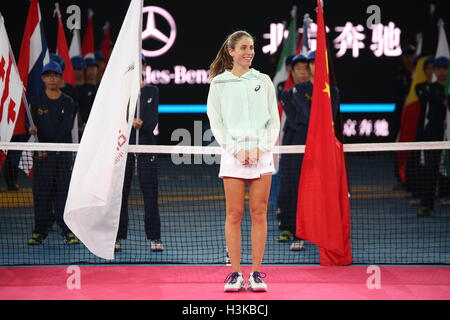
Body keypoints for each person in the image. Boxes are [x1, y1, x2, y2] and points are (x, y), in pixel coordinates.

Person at [207, 30, 280, 292]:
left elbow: (274, 119)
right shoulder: (218, 84)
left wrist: (261, 149)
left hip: (262, 155)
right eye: (244, 48)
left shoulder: (264, 80)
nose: (249, 52)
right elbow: (217, 123)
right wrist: (237, 151)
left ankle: (257, 274)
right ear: (231, 51)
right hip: (233, 156)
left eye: (252, 47)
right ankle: (235, 274)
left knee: (259, 213)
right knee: (234, 214)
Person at [282, 51, 340, 251]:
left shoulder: (333, 91)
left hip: (324, 147)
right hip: (302, 145)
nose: (314, 67)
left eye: (318, 63)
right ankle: (299, 234)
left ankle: (325, 234)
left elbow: (328, 118)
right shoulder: (298, 90)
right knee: (300, 189)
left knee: (325, 189)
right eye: (311, 64)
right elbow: (307, 117)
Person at [115, 55, 163, 252]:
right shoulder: (122, 92)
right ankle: (117, 237)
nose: (137, 68)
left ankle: (155, 238)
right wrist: (128, 125)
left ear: (145, 66)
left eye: (140, 64)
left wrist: (140, 125)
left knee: (150, 195)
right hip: (124, 149)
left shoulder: (153, 91)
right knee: (121, 195)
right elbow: (118, 120)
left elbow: (151, 122)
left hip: (146, 148)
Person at [26, 62, 78, 245]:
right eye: (48, 75)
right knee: (42, 195)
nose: (52, 78)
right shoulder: (36, 100)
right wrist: (32, 132)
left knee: (62, 194)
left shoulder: (69, 102)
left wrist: (47, 148)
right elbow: (33, 127)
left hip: (61, 157)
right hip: (42, 158)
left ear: (60, 77)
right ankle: (40, 230)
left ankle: (67, 230)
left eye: (55, 75)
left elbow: (65, 129)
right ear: (43, 78)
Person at [276, 53, 310, 247]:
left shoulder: (319, 93)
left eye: (306, 69)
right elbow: (298, 118)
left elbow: (306, 117)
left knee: (303, 190)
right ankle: (287, 227)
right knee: (288, 187)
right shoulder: (287, 93)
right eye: (298, 69)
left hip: (310, 146)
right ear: (292, 72)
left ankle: (301, 232)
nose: (303, 73)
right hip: (291, 144)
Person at [417, 56, 450, 217]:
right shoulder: (431, 89)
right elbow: (445, 103)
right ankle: (426, 205)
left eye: (445, 68)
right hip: (433, 135)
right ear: (435, 71)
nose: (442, 71)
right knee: (430, 171)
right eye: (439, 68)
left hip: (448, 135)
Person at [77, 58, 99, 139]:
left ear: (97, 70)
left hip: (98, 125)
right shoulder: (79, 89)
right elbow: (77, 109)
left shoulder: (102, 87)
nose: (90, 71)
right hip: (84, 127)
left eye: (93, 68)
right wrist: (81, 124)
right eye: (88, 68)